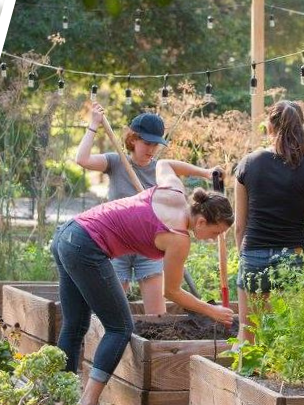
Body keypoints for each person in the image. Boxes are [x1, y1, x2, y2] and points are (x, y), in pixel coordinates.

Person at [51, 159, 234, 405]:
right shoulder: (179, 239)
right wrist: (211, 310)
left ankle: (59, 395)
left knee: (75, 323)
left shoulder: (174, 191)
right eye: (216, 233)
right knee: (120, 328)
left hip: (68, 234)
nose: (215, 239)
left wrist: (205, 172)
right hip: (86, 246)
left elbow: (166, 164)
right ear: (201, 222)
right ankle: (88, 401)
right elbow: (172, 292)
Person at [234, 100, 304, 344]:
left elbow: (239, 225)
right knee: (289, 335)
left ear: (269, 126)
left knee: (248, 334)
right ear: (302, 127)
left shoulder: (248, 163)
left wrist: (242, 254)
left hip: (254, 253)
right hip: (294, 257)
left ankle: (243, 379)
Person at [76, 104, 169, 314]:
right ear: (133, 139)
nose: (152, 150)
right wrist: (93, 125)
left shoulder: (161, 170)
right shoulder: (116, 161)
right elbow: (82, 159)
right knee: (109, 314)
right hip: (117, 245)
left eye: (156, 144)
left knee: (158, 316)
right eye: (147, 143)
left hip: (149, 247)